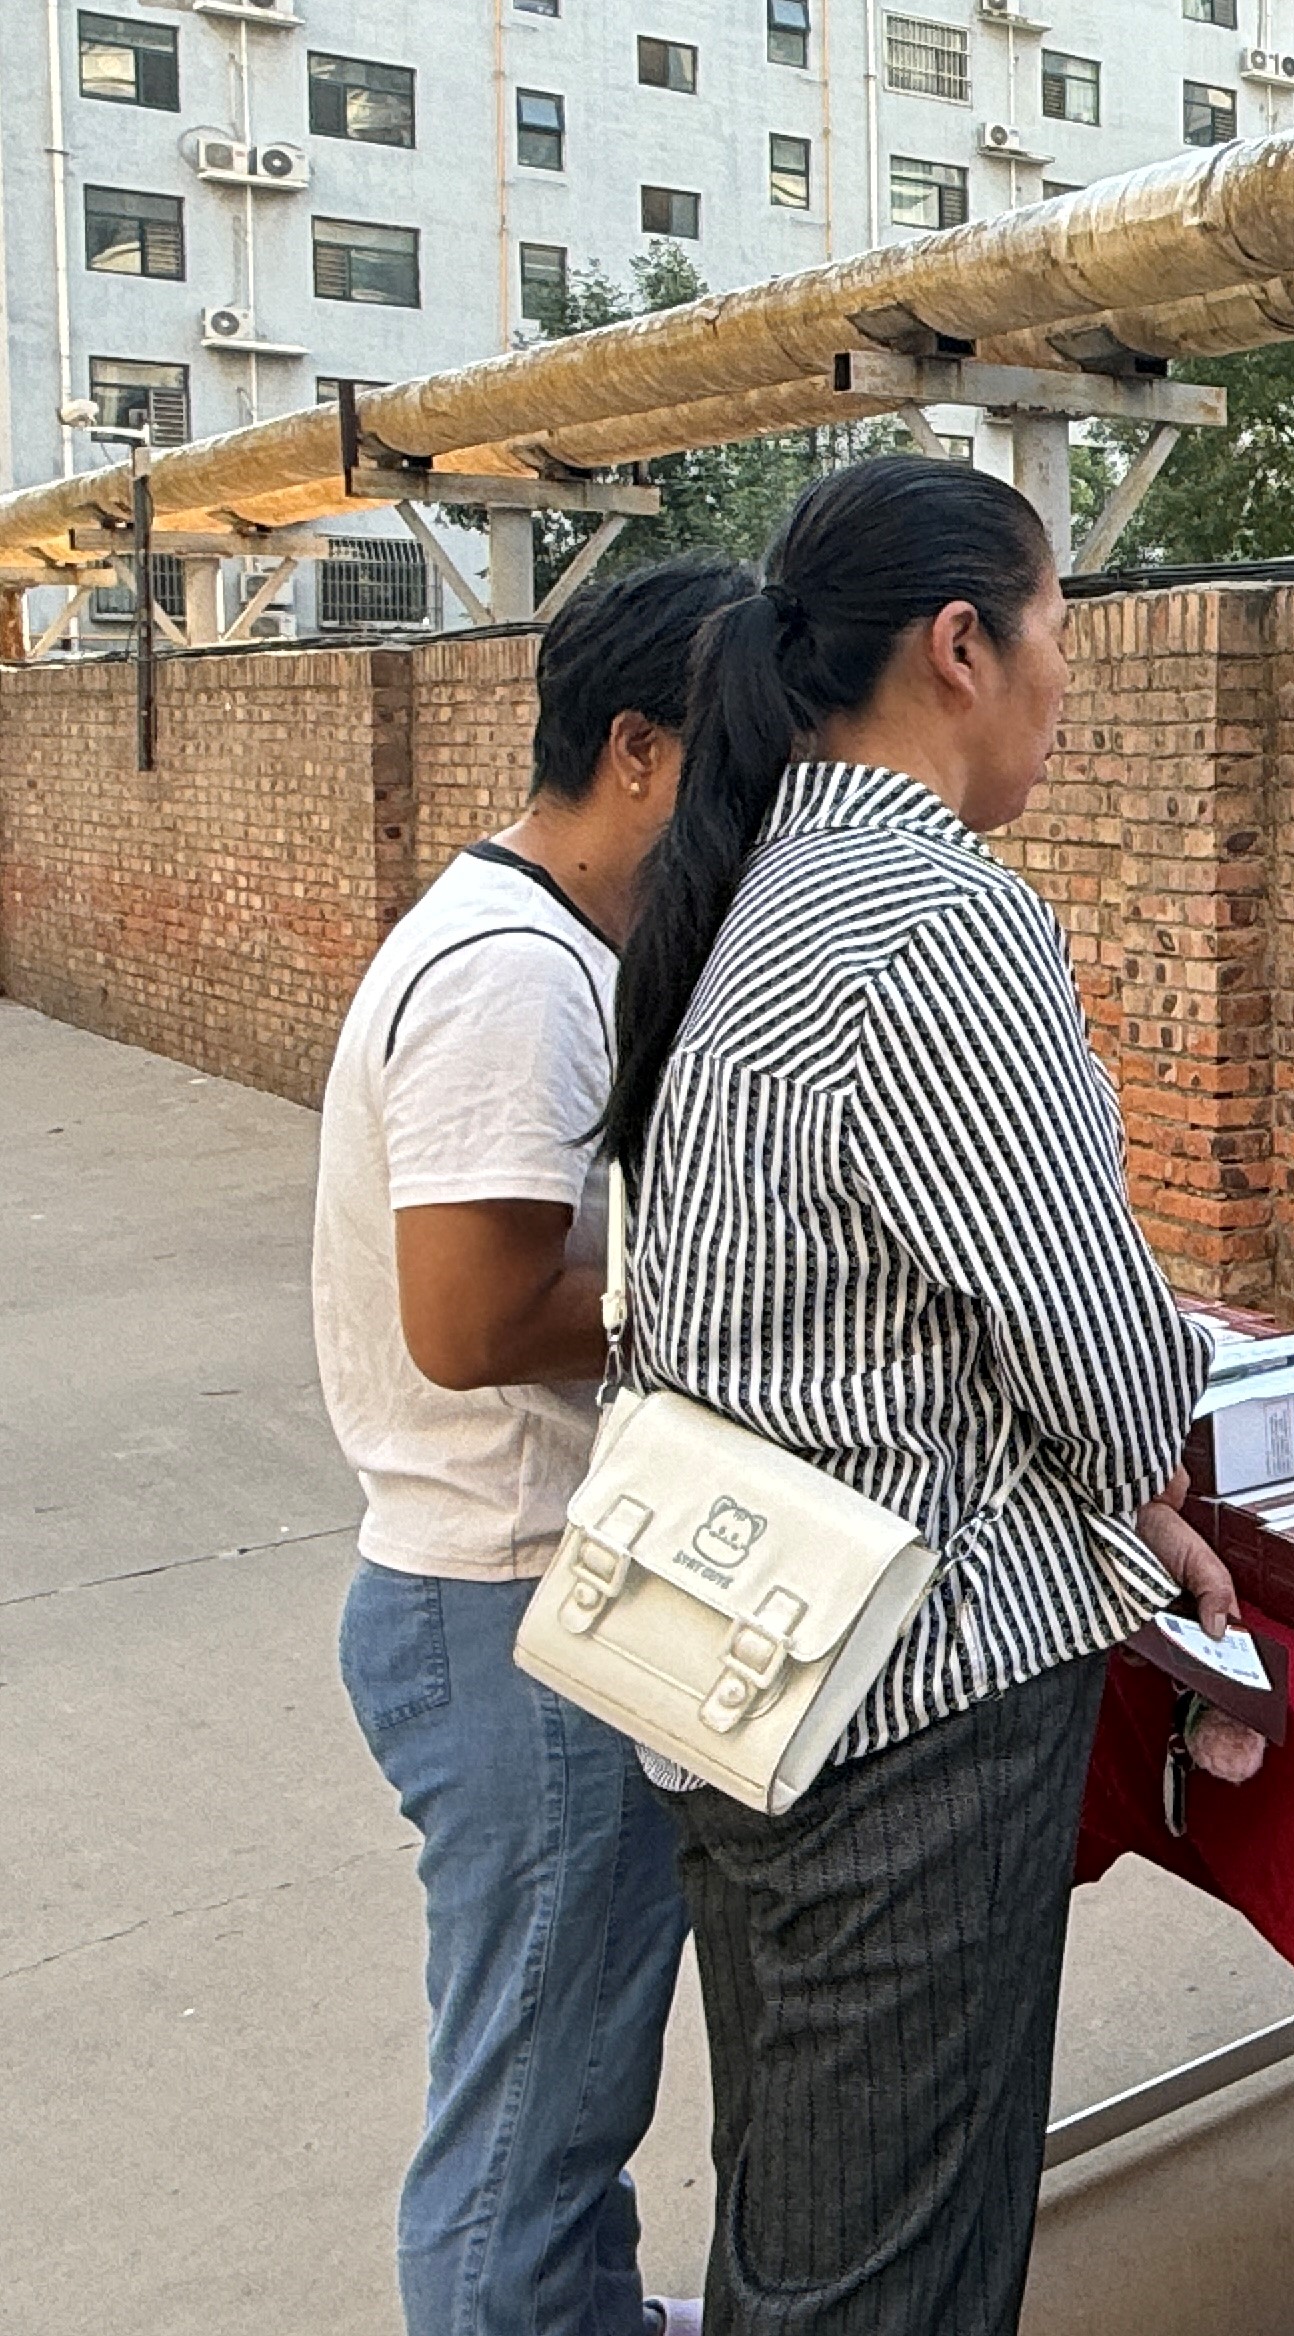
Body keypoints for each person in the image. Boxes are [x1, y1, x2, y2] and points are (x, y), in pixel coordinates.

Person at [593, 458, 1230, 2336]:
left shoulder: (757, 879)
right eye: (1057, 631)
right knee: (886, 2268)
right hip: (906, 1690)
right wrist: (1150, 1446)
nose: (1067, 682)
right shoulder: (936, 916)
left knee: (802, 2209)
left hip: (737, 1641)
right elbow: (1097, 1352)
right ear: (962, 646)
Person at [316, 552, 757, 2336]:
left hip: (524, 1599)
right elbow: (473, 1320)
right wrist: (735, 1303)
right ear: (639, 752)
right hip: (512, 1609)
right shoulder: (515, 977)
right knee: (522, 2125)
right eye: (743, 763)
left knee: (568, 2080)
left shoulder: (556, 948)